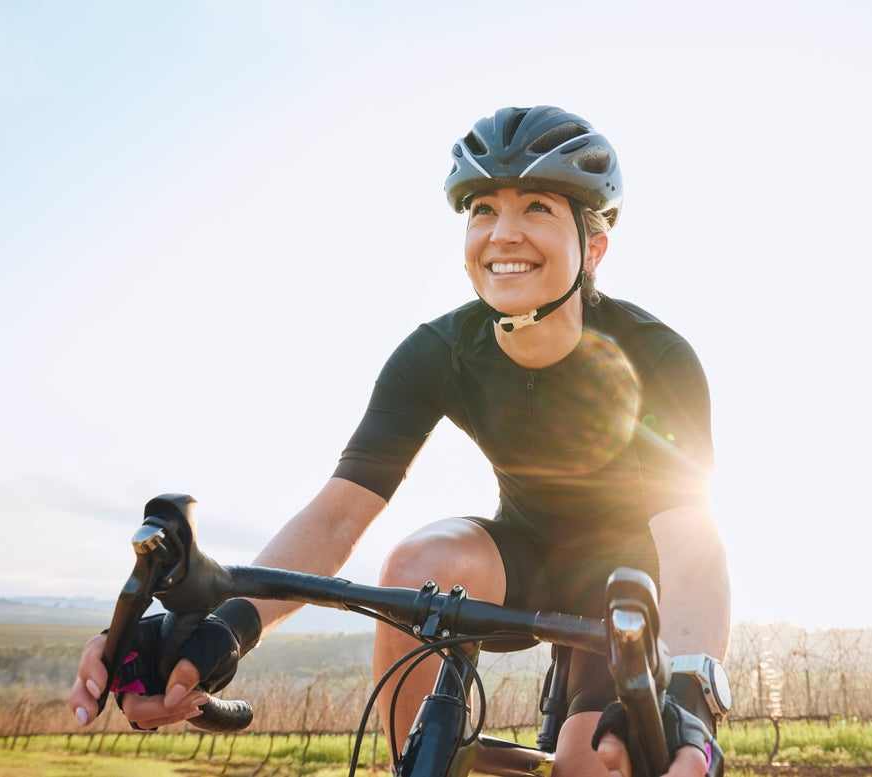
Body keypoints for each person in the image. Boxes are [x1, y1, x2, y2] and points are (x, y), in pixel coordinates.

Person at [69, 105, 731, 777]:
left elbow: (693, 543)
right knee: (416, 561)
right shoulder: (437, 351)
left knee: (589, 764)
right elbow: (335, 516)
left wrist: (691, 697)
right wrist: (222, 627)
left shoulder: (655, 355)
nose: (502, 234)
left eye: (536, 207)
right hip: (519, 558)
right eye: (481, 209)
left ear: (593, 248)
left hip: (622, 583)